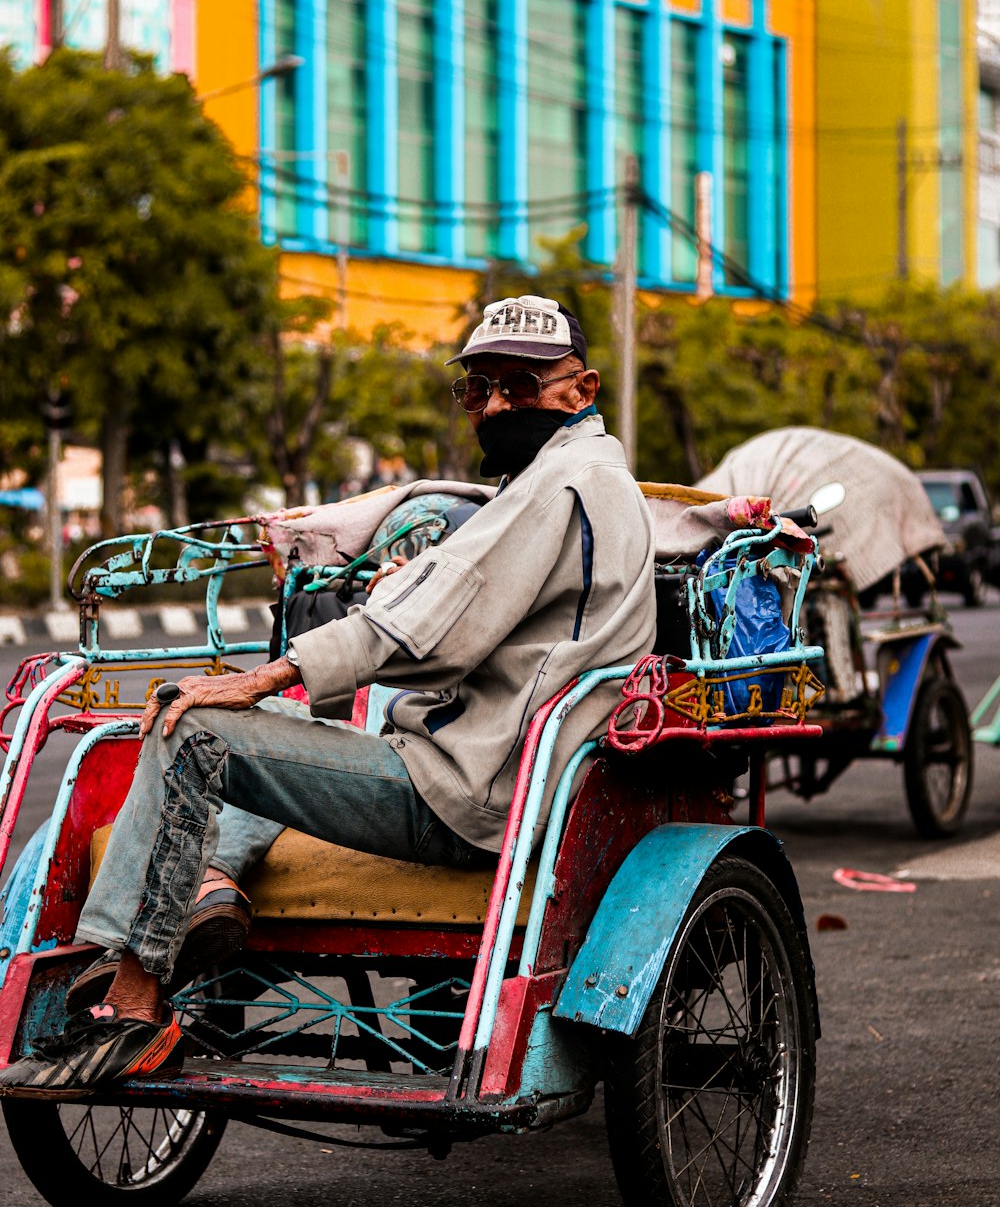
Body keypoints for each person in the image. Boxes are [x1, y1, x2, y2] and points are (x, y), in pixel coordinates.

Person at [0, 295, 656, 1097]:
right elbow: (457, 602)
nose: (494, 406)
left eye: (519, 385)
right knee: (270, 722)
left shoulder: (562, 484)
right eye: (476, 389)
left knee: (196, 726)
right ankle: (211, 882)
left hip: (468, 792)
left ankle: (132, 1000)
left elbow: (434, 626)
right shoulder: (571, 479)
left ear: (578, 389)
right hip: (484, 767)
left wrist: (265, 672)